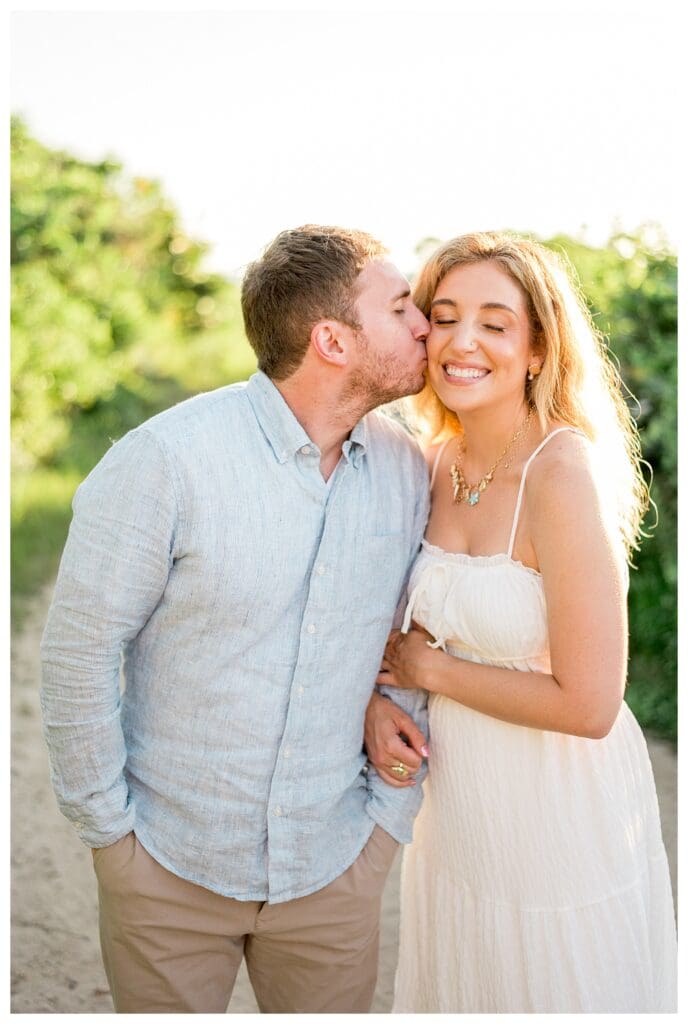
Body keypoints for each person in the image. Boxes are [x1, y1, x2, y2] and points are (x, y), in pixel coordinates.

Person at [39, 224, 432, 1014]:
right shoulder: (166, 461)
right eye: (401, 307)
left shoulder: (410, 470)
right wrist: (114, 841)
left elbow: (410, 637)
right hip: (168, 866)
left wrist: (385, 826)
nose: (426, 324)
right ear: (333, 340)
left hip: (333, 867)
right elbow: (79, 652)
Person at [364, 231, 677, 1012]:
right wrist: (378, 699)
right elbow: (384, 624)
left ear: (537, 347)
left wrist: (431, 672)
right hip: (462, 808)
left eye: (495, 323)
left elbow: (590, 704)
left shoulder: (562, 473)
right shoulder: (429, 461)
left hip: (559, 805)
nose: (463, 342)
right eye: (445, 315)